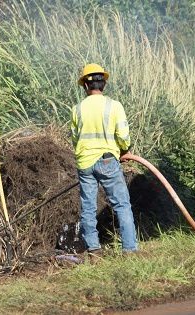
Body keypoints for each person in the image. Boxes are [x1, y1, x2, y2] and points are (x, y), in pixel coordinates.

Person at [71, 63, 138, 256]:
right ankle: (129, 249)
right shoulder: (114, 106)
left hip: (85, 164)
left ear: (85, 86)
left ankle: (93, 249)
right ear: (104, 84)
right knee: (122, 205)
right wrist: (124, 150)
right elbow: (124, 136)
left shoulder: (77, 109)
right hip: (108, 161)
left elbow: (75, 138)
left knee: (88, 208)